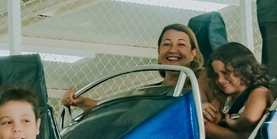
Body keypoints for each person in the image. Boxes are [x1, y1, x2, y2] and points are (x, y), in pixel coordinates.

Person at [62, 24, 209, 111]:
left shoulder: (202, 82)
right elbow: (115, 107)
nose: (172, 49)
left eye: (181, 44)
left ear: (193, 53)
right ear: (159, 52)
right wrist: (81, 101)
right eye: (166, 44)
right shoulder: (150, 92)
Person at [201, 42, 273, 139]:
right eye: (216, 75)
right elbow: (204, 126)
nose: (220, 80)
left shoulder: (259, 92)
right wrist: (238, 136)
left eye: (225, 73)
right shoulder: (224, 98)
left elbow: (249, 118)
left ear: (244, 69)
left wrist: (231, 123)